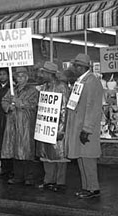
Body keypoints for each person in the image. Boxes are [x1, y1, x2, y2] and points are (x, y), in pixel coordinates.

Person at [65, 53, 103, 199]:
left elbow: (93, 107)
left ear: (82, 67)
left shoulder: (92, 82)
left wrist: (87, 129)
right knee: (81, 157)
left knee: (88, 158)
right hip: (78, 126)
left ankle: (93, 188)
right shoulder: (81, 81)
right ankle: (86, 187)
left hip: (86, 128)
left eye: (76, 66)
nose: (74, 68)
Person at [1, 67, 39, 186]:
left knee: (26, 150)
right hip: (13, 123)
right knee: (14, 149)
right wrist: (8, 107)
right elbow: (4, 100)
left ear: (27, 78)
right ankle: (18, 176)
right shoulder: (12, 90)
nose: (20, 78)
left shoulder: (32, 90)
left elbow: (33, 104)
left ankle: (29, 176)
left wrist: (18, 102)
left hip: (26, 124)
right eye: (18, 76)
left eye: (22, 76)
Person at [36, 61, 70, 192]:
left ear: (50, 74)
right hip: (46, 125)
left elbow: (64, 109)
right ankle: (48, 180)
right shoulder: (44, 87)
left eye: (43, 72)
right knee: (46, 154)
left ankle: (60, 182)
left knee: (59, 155)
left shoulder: (62, 87)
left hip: (57, 126)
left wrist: (61, 129)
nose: (41, 74)